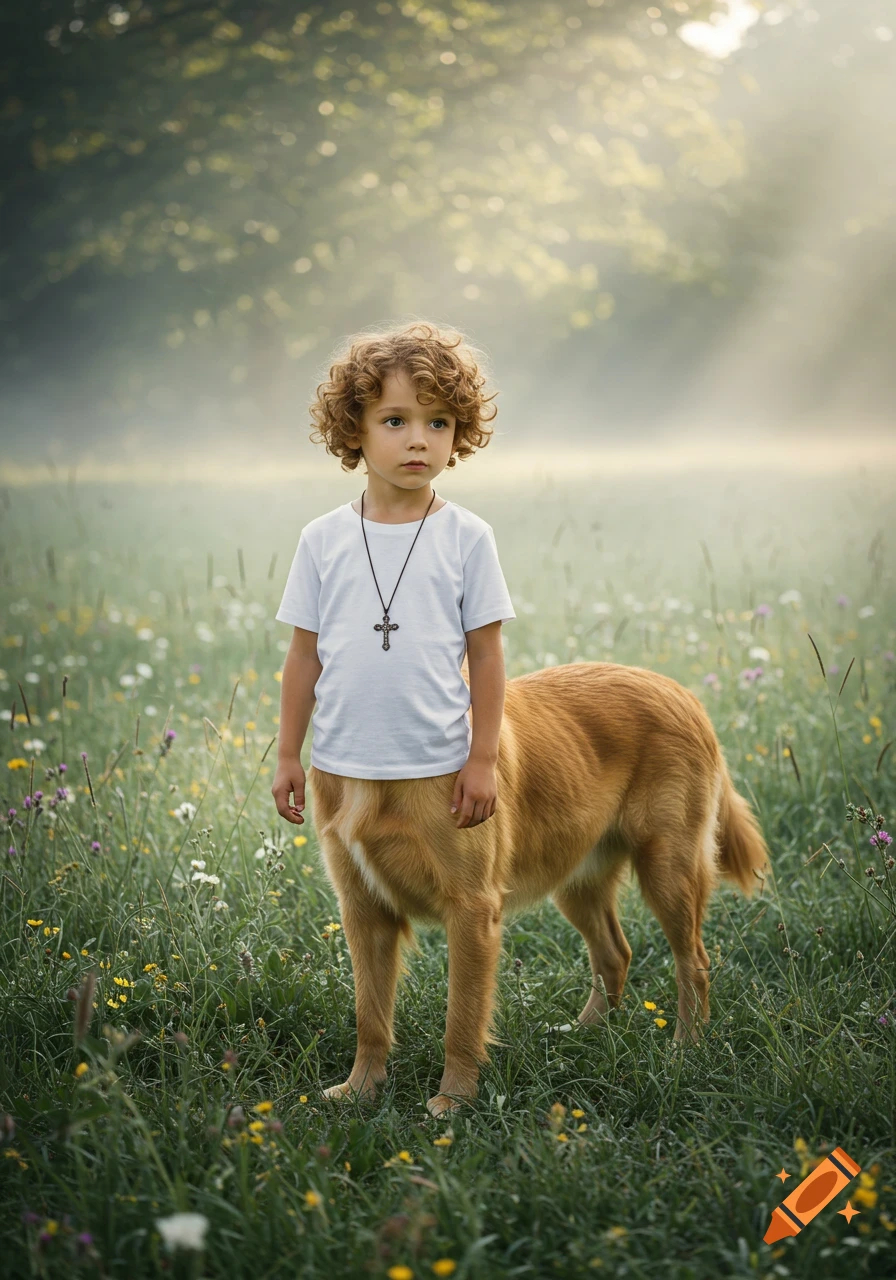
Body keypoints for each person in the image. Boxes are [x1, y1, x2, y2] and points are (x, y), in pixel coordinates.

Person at [271, 319, 516, 831]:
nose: (419, 441)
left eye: (438, 423)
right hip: (339, 768)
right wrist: (289, 754)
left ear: (459, 431)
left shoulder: (468, 536)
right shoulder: (322, 538)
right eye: (395, 421)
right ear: (355, 427)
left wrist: (483, 760)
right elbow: (303, 653)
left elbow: (487, 653)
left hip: (439, 769)